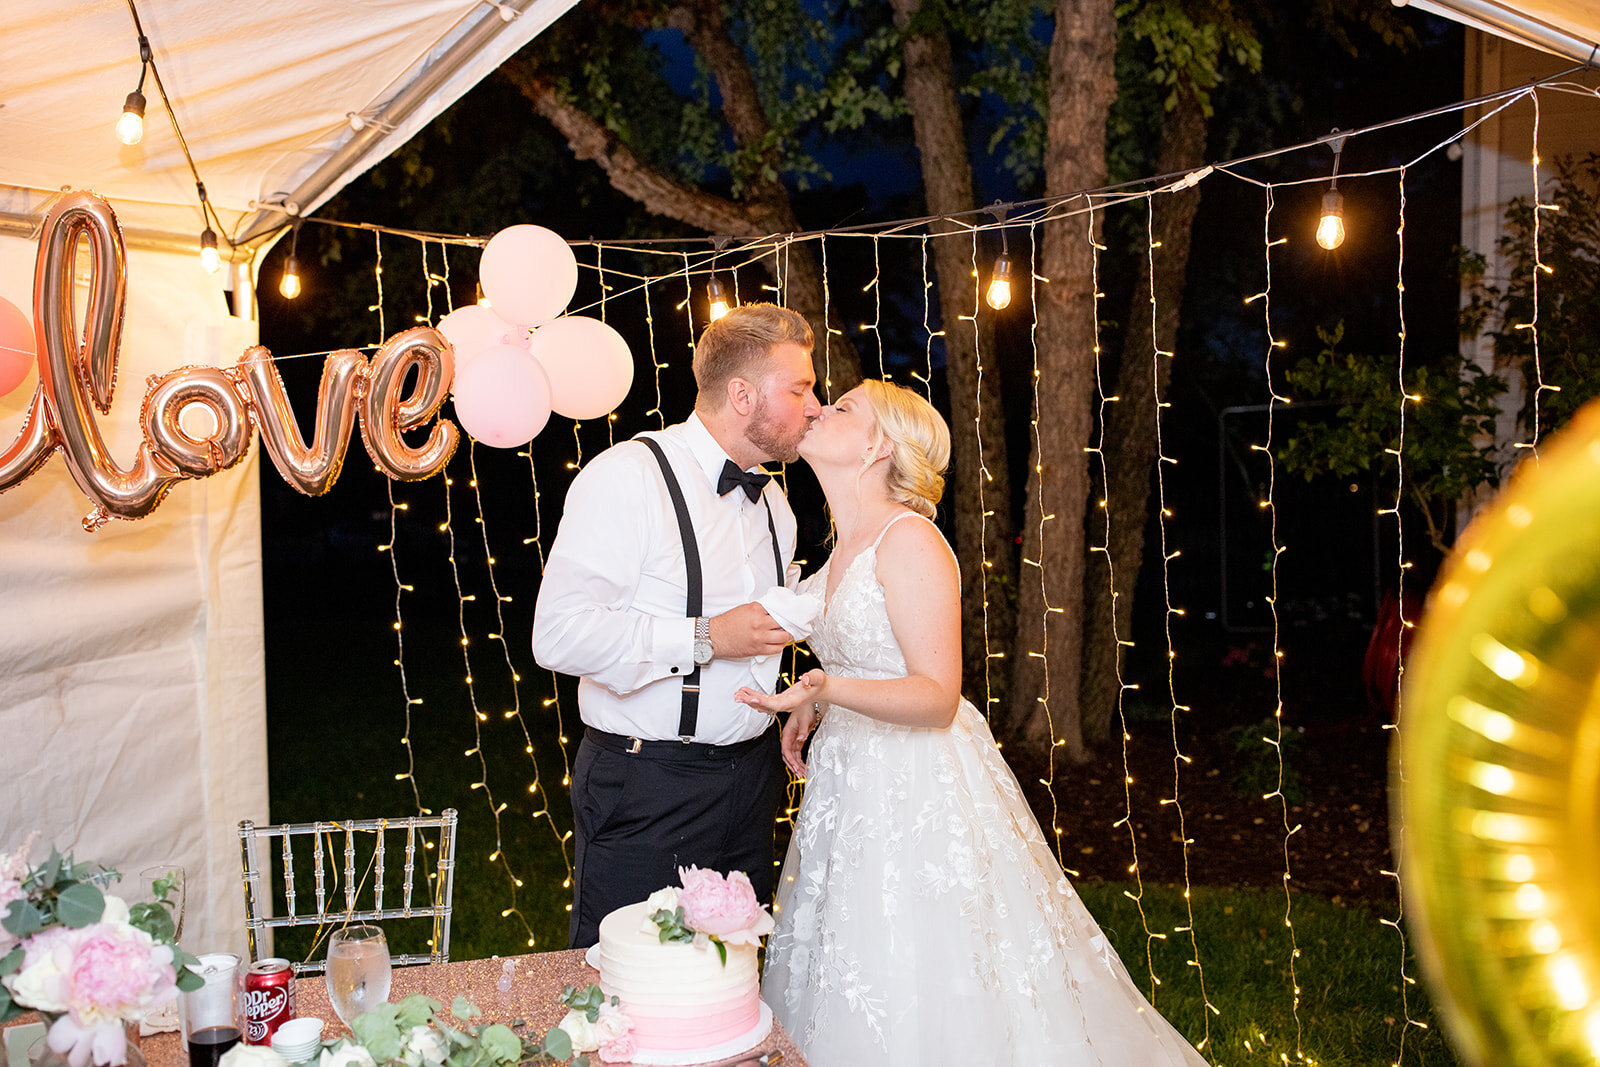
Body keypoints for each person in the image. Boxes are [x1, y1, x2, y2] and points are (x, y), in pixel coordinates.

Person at [738, 381, 1210, 1065]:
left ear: (877, 445)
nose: (818, 410)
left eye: (842, 408)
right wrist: (821, 699)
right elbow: (869, 657)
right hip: (855, 786)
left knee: (936, 962)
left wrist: (827, 683)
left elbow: (936, 694)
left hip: (918, 786)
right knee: (857, 951)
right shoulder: (842, 548)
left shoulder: (909, 540)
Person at [532, 303, 821, 949]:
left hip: (753, 780)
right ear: (742, 394)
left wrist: (808, 688)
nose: (814, 406)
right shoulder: (627, 477)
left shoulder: (774, 503)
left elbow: (771, 626)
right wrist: (705, 636)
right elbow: (559, 634)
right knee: (624, 990)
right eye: (799, 388)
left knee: (728, 980)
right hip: (647, 784)